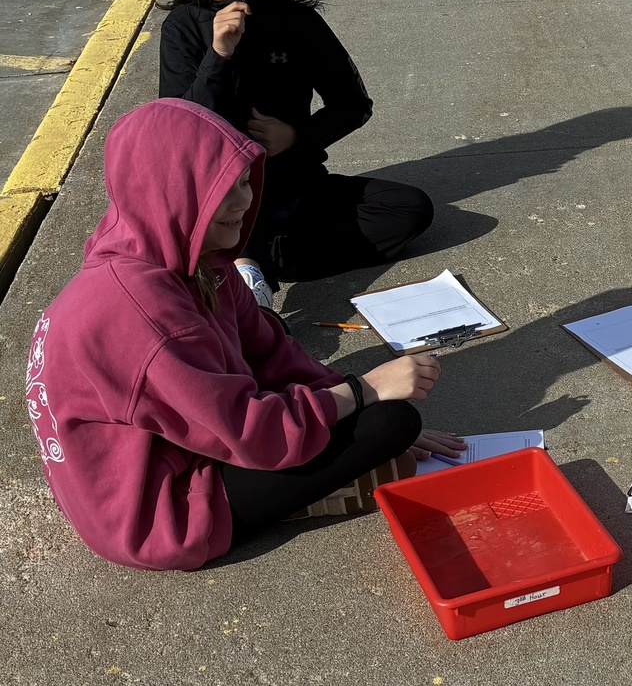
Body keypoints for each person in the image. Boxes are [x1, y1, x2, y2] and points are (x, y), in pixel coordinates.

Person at [23, 99, 463, 571]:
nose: (245, 202)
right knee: (392, 424)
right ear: (171, 193)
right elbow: (254, 435)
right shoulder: (142, 316)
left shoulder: (176, 248)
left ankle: (330, 458)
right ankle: (308, 495)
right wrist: (365, 392)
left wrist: (355, 404)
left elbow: (270, 350)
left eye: (244, 183)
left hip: (149, 455)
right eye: (221, 193)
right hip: (156, 514)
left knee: (376, 417)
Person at [159, 0, 433, 309]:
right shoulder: (184, 27)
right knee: (211, 222)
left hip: (295, 189)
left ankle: (253, 262)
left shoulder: (297, 22)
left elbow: (353, 103)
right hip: (219, 199)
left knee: (409, 208)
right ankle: (246, 269)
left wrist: (295, 137)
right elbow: (179, 129)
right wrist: (219, 55)